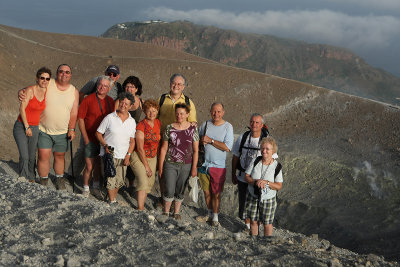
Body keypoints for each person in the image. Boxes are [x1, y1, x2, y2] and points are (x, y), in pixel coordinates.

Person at [35, 64, 79, 189]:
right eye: (61, 71)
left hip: (63, 132)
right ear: (57, 73)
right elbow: (35, 88)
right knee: (43, 155)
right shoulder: (49, 83)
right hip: (44, 129)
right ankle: (43, 180)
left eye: (67, 72)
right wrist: (22, 91)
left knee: (59, 156)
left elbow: (74, 112)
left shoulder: (74, 91)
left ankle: (59, 178)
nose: (64, 74)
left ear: (70, 75)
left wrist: (72, 129)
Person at [157, 73, 197, 206]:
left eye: (179, 84)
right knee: (162, 171)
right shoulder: (162, 99)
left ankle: (175, 201)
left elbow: (193, 123)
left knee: (179, 175)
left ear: (184, 87)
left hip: (180, 145)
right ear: (170, 84)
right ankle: (164, 198)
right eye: (174, 83)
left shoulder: (188, 102)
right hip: (163, 139)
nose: (176, 86)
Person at [231, 113, 276, 229]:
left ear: (262, 125)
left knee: (257, 203)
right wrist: (233, 174)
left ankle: (256, 227)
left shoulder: (266, 141)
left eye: (257, 122)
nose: (254, 124)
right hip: (242, 177)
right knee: (244, 202)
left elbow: (273, 159)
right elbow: (236, 156)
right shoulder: (243, 137)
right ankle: (247, 226)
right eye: (252, 122)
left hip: (258, 180)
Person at [158, 103, 199, 219]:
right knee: (169, 188)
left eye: (181, 113)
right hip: (170, 163)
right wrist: (160, 167)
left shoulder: (193, 129)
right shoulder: (169, 128)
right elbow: (164, 148)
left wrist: (194, 168)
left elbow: (196, 150)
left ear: (187, 114)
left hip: (186, 165)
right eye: (177, 113)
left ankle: (176, 212)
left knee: (180, 189)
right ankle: (166, 211)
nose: (179, 116)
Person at [197, 102, 234, 227]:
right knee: (206, 192)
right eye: (214, 111)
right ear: (210, 111)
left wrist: (211, 141)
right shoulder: (205, 124)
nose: (216, 114)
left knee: (216, 193)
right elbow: (198, 140)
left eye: (219, 111)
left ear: (223, 112)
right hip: (203, 165)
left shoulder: (228, 127)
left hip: (218, 167)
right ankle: (209, 213)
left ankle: (216, 218)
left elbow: (227, 147)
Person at [96, 92, 136, 204]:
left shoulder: (132, 122)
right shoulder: (110, 117)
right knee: (110, 179)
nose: (123, 105)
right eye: (122, 102)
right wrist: (105, 145)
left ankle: (110, 199)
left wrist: (128, 155)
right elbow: (98, 133)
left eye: (126, 104)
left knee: (119, 180)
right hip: (110, 154)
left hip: (123, 155)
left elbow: (132, 141)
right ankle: (112, 201)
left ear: (131, 106)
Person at [78, 76, 114, 197]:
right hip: (90, 138)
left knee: (99, 164)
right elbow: (81, 119)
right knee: (89, 165)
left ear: (109, 88)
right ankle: (86, 188)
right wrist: (85, 138)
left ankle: (96, 186)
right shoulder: (88, 99)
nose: (102, 87)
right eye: (100, 84)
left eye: (105, 86)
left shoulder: (111, 101)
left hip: (104, 140)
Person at [13, 67, 51, 182]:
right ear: (37, 78)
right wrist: (26, 127)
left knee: (31, 155)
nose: (45, 81)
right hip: (21, 126)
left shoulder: (47, 91)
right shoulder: (30, 91)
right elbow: (22, 109)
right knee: (24, 155)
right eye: (42, 78)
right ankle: (23, 177)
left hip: (35, 127)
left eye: (47, 79)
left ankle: (31, 177)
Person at [244, 137, 283, 236]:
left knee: (267, 223)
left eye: (267, 149)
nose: (264, 151)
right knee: (253, 221)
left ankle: (266, 243)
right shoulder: (255, 161)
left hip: (268, 199)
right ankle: (254, 241)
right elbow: (246, 177)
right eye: (262, 148)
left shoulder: (277, 167)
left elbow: (279, 186)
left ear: (273, 151)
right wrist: (255, 182)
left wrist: (267, 183)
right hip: (253, 195)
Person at [115, 76, 144, 195]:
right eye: (127, 86)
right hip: (121, 132)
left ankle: (131, 184)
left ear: (137, 89)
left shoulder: (140, 101)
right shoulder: (119, 100)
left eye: (132, 86)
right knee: (119, 157)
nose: (129, 88)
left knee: (132, 158)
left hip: (133, 134)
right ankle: (118, 182)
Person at [130, 99, 161, 210]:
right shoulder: (141, 126)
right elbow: (140, 148)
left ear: (157, 111)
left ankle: (140, 198)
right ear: (144, 111)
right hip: (139, 156)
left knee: (150, 182)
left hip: (152, 156)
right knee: (143, 179)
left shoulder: (158, 123)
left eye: (154, 111)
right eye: (149, 111)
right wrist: (146, 166)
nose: (151, 113)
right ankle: (140, 208)